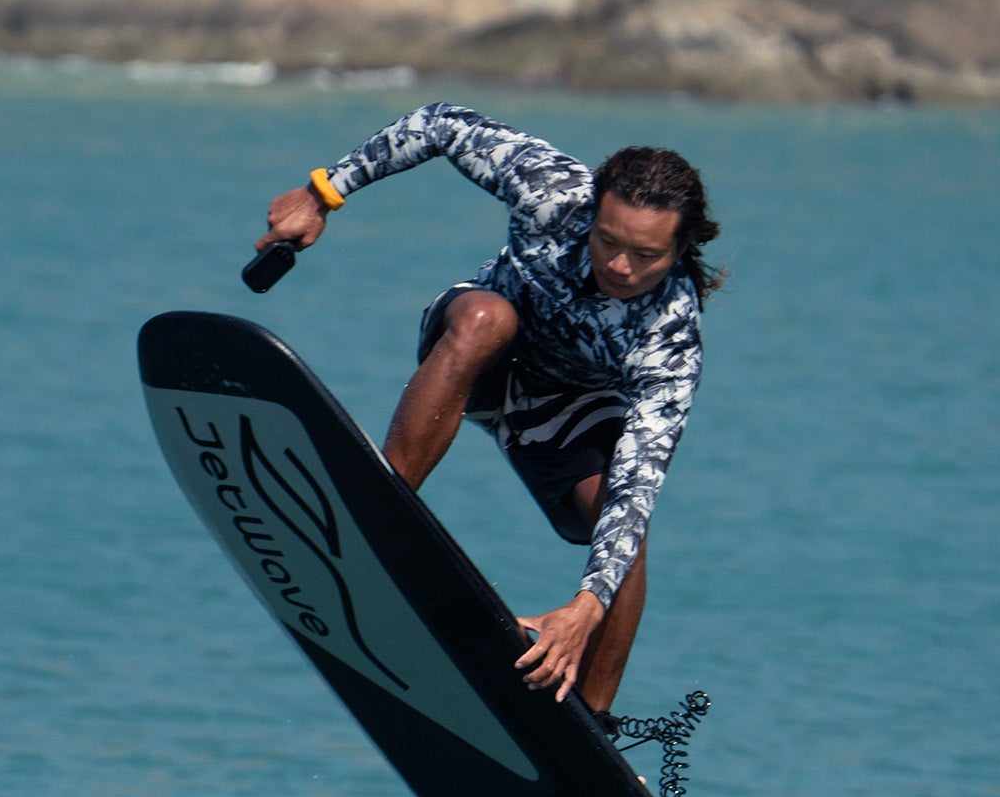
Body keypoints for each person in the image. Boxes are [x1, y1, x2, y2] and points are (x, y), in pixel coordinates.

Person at [258, 104, 719, 718]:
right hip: (474, 357)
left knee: (622, 520)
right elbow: (441, 125)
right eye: (607, 240)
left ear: (682, 248)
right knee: (487, 317)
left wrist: (586, 604)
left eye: (645, 255)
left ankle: (589, 725)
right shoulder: (551, 192)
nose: (618, 265)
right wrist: (324, 194)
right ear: (593, 210)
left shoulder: (670, 338)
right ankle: (375, 515)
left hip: (562, 411)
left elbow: (640, 485)